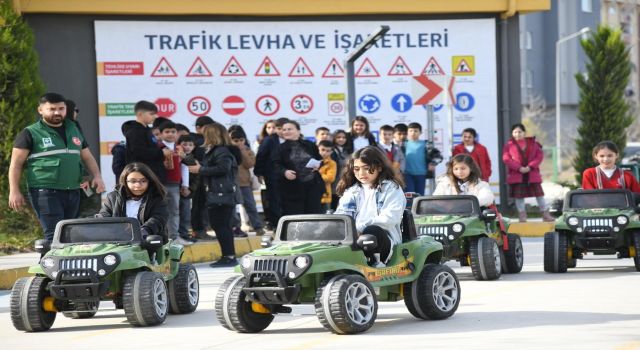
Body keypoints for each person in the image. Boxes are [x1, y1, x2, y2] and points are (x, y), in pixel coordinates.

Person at [8, 92, 106, 241]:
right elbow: (16, 164)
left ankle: (62, 264)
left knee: (68, 234)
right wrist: (14, 191)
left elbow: (87, 156)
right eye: (52, 109)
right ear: (40, 110)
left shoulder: (73, 129)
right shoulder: (30, 133)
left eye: (61, 108)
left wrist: (97, 176)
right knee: (53, 235)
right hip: (45, 192)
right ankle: (46, 263)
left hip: (73, 191)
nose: (57, 112)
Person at [335, 146, 406, 268]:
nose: (361, 173)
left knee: (371, 231)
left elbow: (389, 218)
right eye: (356, 169)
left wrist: (359, 229)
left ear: (379, 167)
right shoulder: (351, 191)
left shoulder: (391, 188)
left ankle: (376, 262)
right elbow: (341, 216)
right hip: (351, 239)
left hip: (383, 241)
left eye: (366, 168)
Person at [188, 123, 239, 267]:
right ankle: (228, 256)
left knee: (221, 226)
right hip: (217, 193)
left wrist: (201, 169)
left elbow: (223, 168)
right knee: (220, 225)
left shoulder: (222, 151)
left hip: (221, 194)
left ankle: (229, 256)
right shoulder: (217, 150)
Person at [96, 162, 168, 242]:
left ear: (149, 181)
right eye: (133, 181)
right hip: (117, 242)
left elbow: (158, 219)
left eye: (143, 181)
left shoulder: (157, 198)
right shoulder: (112, 197)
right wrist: (99, 219)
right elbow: (105, 216)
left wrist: (143, 232)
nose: (137, 185)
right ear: (125, 181)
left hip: (148, 244)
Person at [502, 123, 553, 222]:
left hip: (532, 174)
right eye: (515, 132)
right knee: (519, 196)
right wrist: (519, 168)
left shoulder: (534, 143)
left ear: (524, 133)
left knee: (540, 195)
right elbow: (506, 159)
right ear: (512, 133)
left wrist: (530, 167)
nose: (517, 134)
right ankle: (522, 215)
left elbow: (539, 156)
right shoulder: (508, 145)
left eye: (520, 132)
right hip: (516, 174)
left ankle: (545, 214)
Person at [273, 120, 325, 215]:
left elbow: (320, 159)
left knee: (314, 214)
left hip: (312, 185)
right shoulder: (279, 148)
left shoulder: (309, 144)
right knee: (295, 215)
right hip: (292, 188)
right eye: (284, 130)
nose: (286, 131)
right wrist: (285, 172)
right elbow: (275, 165)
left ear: (298, 131)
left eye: (290, 129)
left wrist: (318, 165)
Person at [156, 120, 191, 245]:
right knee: (160, 211)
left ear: (177, 134)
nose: (170, 134)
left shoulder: (179, 148)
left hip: (175, 185)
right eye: (167, 132)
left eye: (173, 132)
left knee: (175, 211)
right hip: (160, 184)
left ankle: (174, 237)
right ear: (160, 134)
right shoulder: (157, 147)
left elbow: (185, 167)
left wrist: (185, 185)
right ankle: (161, 237)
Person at [122, 101, 171, 182]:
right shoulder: (135, 131)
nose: (155, 116)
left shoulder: (147, 130)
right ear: (140, 114)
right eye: (151, 114)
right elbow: (139, 153)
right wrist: (161, 153)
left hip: (153, 175)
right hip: (142, 176)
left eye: (155, 114)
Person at [230, 127, 266, 235]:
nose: (239, 143)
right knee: (231, 207)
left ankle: (258, 227)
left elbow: (249, 164)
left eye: (241, 140)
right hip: (231, 183)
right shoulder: (227, 150)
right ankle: (235, 227)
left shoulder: (248, 150)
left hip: (245, 183)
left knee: (251, 206)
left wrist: (242, 150)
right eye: (236, 141)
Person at [255, 117, 289, 229]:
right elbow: (261, 156)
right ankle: (276, 224)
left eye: (284, 128)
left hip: (290, 177)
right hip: (273, 175)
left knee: (287, 199)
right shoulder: (269, 140)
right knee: (274, 199)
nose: (281, 131)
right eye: (278, 128)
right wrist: (258, 172)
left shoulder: (292, 139)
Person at [190, 115, 216, 240]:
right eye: (207, 127)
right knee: (198, 205)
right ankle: (198, 230)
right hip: (196, 179)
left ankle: (201, 229)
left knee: (202, 205)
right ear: (198, 128)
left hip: (204, 177)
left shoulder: (206, 141)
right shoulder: (197, 141)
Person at [404, 122, 436, 195]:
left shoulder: (426, 143)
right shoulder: (404, 144)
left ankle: (418, 207)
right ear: (407, 132)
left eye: (416, 131)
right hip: (407, 174)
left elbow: (437, 156)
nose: (413, 133)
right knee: (409, 194)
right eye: (411, 131)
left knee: (419, 194)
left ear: (420, 132)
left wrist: (432, 163)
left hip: (421, 173)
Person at [177, 134, 198, 242]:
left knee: (185, 213)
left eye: (190, 145)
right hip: (176, 189)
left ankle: (184, 233)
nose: (187, 147)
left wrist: (190, 189)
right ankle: (176, 234)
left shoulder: (193, 159)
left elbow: (196, 178)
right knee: (175, 213)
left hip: (187, 192)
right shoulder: (176, 157)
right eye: (185, 144)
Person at [330, 129, 348, 210]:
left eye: (344, 137)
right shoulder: (331, 151)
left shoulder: (346, 150)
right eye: (338, 137)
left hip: (345, 182)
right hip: (334, 184)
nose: (341, 139)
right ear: (334, 138)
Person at [318, 140, 337, 213]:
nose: (324, 153)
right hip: (311, 194)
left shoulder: (332, 163)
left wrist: (318, 173)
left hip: (325, 196)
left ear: (331, 152)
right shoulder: (312, 160)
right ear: (318, 148)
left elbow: (330, 178)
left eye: (328, 151)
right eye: (322, 150)